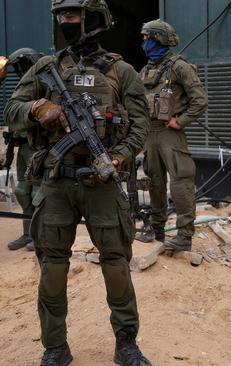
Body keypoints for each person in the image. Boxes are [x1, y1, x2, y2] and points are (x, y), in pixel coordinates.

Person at [4, 1, 151, 365]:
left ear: (94, 20)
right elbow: (12, 109)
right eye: (60, 17)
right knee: (52, 267)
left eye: (71, 16)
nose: (64, 22)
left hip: (101, 183)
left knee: (116, 263)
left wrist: (116, 158)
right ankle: (55, 347)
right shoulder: (45, 68)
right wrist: (39, 108)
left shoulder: (122, 71)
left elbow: (140, 125)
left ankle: (126, 343)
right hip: (55, 183)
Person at [135, 19, 207, 251]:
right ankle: (157, 231)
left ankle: (184, 237)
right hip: (150, 134)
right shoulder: (145, 70)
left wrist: (181, 120)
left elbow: (200, 100)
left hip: (170, 133)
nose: (144, 42)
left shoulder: (179, 67)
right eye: (144, 38)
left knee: (181, 182)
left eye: (148, 38)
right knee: (154, 182)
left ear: (159, 39)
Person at [3, 48, 43, 252]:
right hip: (23, 146)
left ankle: (39, 235)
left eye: (21, 66)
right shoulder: (22, 87)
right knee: (22, 192)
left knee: (38, 192)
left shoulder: (43, 85)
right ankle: (27, 233)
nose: (19, 70)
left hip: (37, 148)